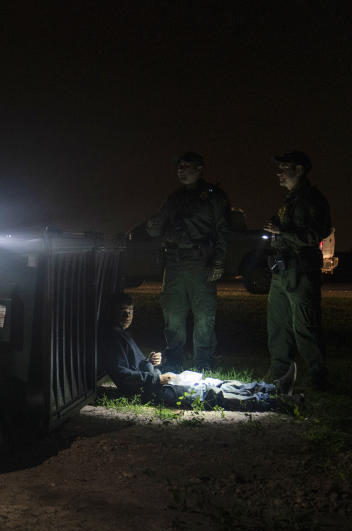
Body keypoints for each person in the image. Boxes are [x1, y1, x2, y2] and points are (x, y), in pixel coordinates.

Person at [101, 294, 299, 412]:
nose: (127, 315)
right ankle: (279, 402)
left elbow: (132, 366)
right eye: (122, 311)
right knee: (213, 395)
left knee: (214, 383)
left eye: (130, 311)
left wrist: (151, 362)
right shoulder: (110, 338)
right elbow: (122, 375)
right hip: (156, 390)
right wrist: (156, 379)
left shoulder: (120, 334)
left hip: (159, 381)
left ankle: (272, 389)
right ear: (111, 312)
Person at [145, 152, 230, 372]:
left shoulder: (213, 196)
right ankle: (173, 360)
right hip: (174, 262)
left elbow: (223, 231)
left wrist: (218, 261)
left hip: (200, 262)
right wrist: (153, 225)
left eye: (186, 166)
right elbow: (157, 225)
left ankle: (204, 361)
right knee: (173, 314)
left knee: (204, 315)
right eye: (179, 167)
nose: (181, 171)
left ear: (199, 168)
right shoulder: (174, 198)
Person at [264, 151, 332, 390]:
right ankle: (279, 373)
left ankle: (318, 378)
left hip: (301, 270)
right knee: (278, 325)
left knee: (305, 326)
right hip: (282, 270)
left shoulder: (312, 199)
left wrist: (282, 233)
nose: (279, 172)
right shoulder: (290, 200)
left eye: (284, 167)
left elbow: (316, 234)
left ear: (299, 170)